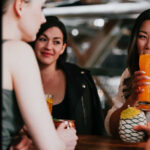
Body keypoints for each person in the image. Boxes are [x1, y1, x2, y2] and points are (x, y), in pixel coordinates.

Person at [2, 0, 77, 150]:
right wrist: (61, 139)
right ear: (20, 5)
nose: (43, 18)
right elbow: (51, 147)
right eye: (41, 7)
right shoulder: (18, 51)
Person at [30, 16, 105, 135]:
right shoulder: (20, 78)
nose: (49, 47)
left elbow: (97, 126)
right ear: (34, 41)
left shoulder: (81, 78)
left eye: (56, 42)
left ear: (62, 48)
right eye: (43, 39)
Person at [104, 9, 150, 138]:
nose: (148, 46)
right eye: (142, 37)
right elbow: (111, 128)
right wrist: (132, 99)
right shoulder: (130, 74)